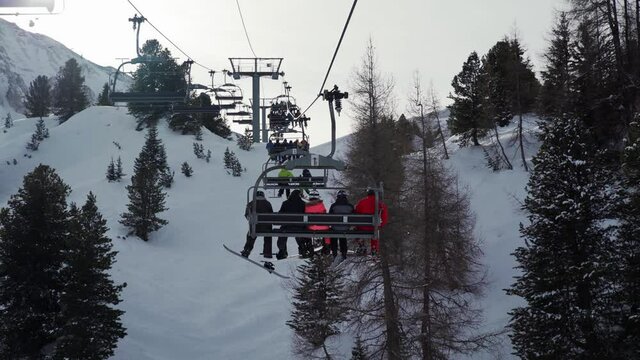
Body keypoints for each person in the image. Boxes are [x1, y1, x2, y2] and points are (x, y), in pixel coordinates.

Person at [354, 188, 388, 256]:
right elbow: (384, 216)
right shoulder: (380, 204)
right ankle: (374, 249)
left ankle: (361, 243)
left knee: (356, 229)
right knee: (375, 232)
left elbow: (356, 213)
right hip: (373, 227)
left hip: (362, 227)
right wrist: (381, 224)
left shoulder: (362, 202)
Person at [241, 191, 274, 258]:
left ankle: (247, 249)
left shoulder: (251, 203)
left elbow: (247, 215)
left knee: (250, 234)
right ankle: (267, 253)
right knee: (268, 235)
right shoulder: (267, 204)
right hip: (266, 228)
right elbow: (271, 215)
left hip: (255, 227)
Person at [276, 189, 306, 260]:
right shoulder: (303, 204)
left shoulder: (285, 203)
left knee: (282, 234)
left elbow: (280, 214)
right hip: (299, 227)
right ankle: (302, 249)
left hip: (286, 226)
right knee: (300, 233)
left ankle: (282, 251)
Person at [329, 190, 354, 260]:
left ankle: (334, 251)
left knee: (334, 233)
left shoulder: (333, 206)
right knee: (343, 233)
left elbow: (329, 217)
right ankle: (344, 252)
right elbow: (354, 217)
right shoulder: (350, 206)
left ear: (337, 197)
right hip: (345, 228)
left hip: (335, 228)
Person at [304, 190, 331, 256]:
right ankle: (327, 247)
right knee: (328, 231)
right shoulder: (321, 205)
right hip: (322, 226)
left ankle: (309, 247)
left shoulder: (307, 206)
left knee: (306, 229)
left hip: (311, 227)